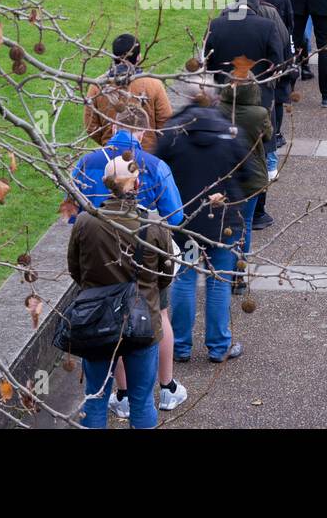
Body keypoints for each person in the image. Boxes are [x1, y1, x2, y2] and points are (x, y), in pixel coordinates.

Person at [70, 104, 187, 420]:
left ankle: (118, 395)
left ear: (111, 126)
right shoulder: (155, 166)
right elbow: (176, 216)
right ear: (144, 132)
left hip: (96, 275)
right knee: (155, 319)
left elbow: (71, 218)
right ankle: (166, 387)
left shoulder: (85, 163)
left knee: (95, 393)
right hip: (144, 268)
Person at [155, 79, 251, 363]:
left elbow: (160, 172)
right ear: (215, 98)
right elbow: (246, 174)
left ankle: (181, 346)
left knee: (184, 280)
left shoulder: (172, 131)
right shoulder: (230, 131)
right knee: (219, 281)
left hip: (185, 221)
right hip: (223, 222)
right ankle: (218, 346)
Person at [217, 78, 271, 293]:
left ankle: (223, 271)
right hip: (251, 177)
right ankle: (239, 276)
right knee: (245, 225)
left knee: (224, 226)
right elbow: (267, 136)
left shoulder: (218, 109)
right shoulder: (259, 113)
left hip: (223, 175)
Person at [245, 0, 290, 200]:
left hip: (241, 79)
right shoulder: (271, 13)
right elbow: (283, 40)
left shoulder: (229, 14)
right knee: (267, 123)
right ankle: (270, 164)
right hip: (264, 80)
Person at [203, 0, 285, 114]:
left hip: (224, 98)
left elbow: (206, 62)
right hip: (259, 99)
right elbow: (278, 63)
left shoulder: (215, 25)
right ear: (256, 4)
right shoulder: (268, 26)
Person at [84, 34, 172, 152]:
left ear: (113, 57)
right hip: (147, 154)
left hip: (111, 153)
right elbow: (165, 123)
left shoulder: (97, 86)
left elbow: (91, 127)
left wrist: (108, 142)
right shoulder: (154, 84)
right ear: (139, 57)